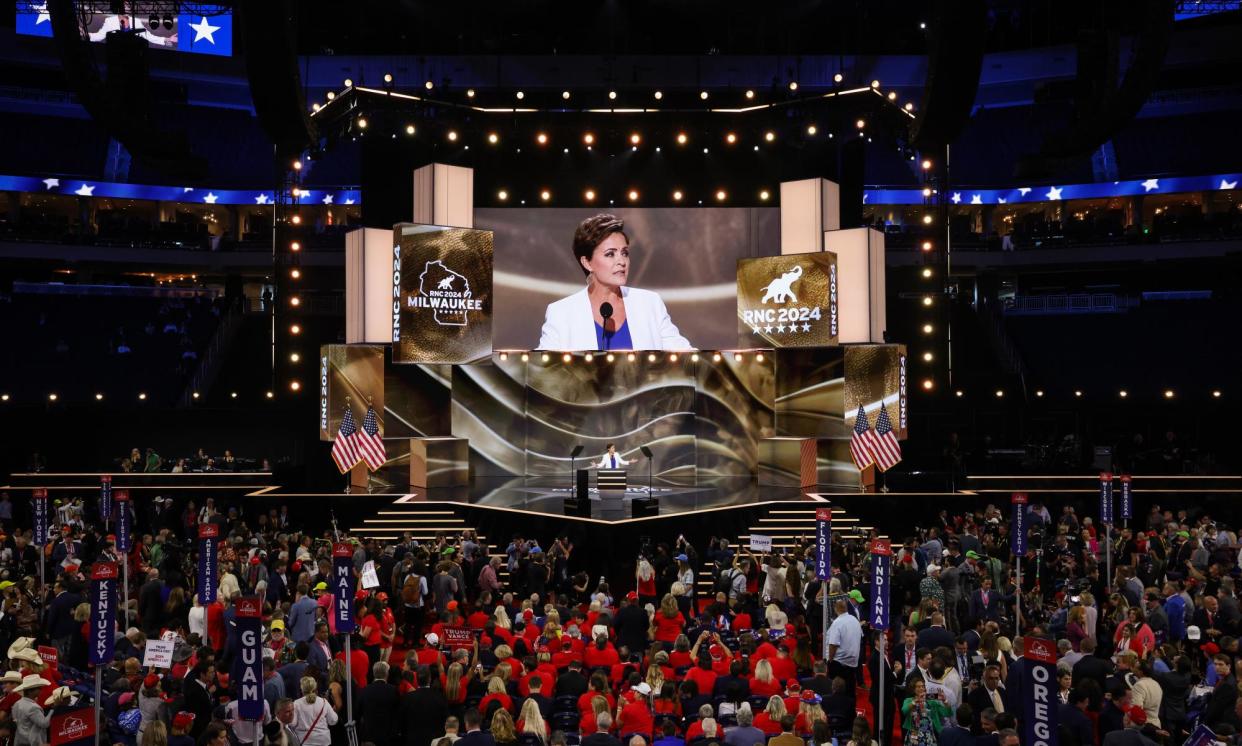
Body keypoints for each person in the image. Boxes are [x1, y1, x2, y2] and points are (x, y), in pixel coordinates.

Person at [537, 213, 692, 351]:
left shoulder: (650, 304)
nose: (621, 261)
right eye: (610, 254)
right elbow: (541, 369)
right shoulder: (562, 313)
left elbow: (685, 354)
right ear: (587, 263)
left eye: (624, 253)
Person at [293, 676, 338, 746]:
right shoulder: (324, 702)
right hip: (323, 741)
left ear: (302, 689)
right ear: (315, 688)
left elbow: (293, 723)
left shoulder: (296, 703)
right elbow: (333, 721)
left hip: (304, 741)